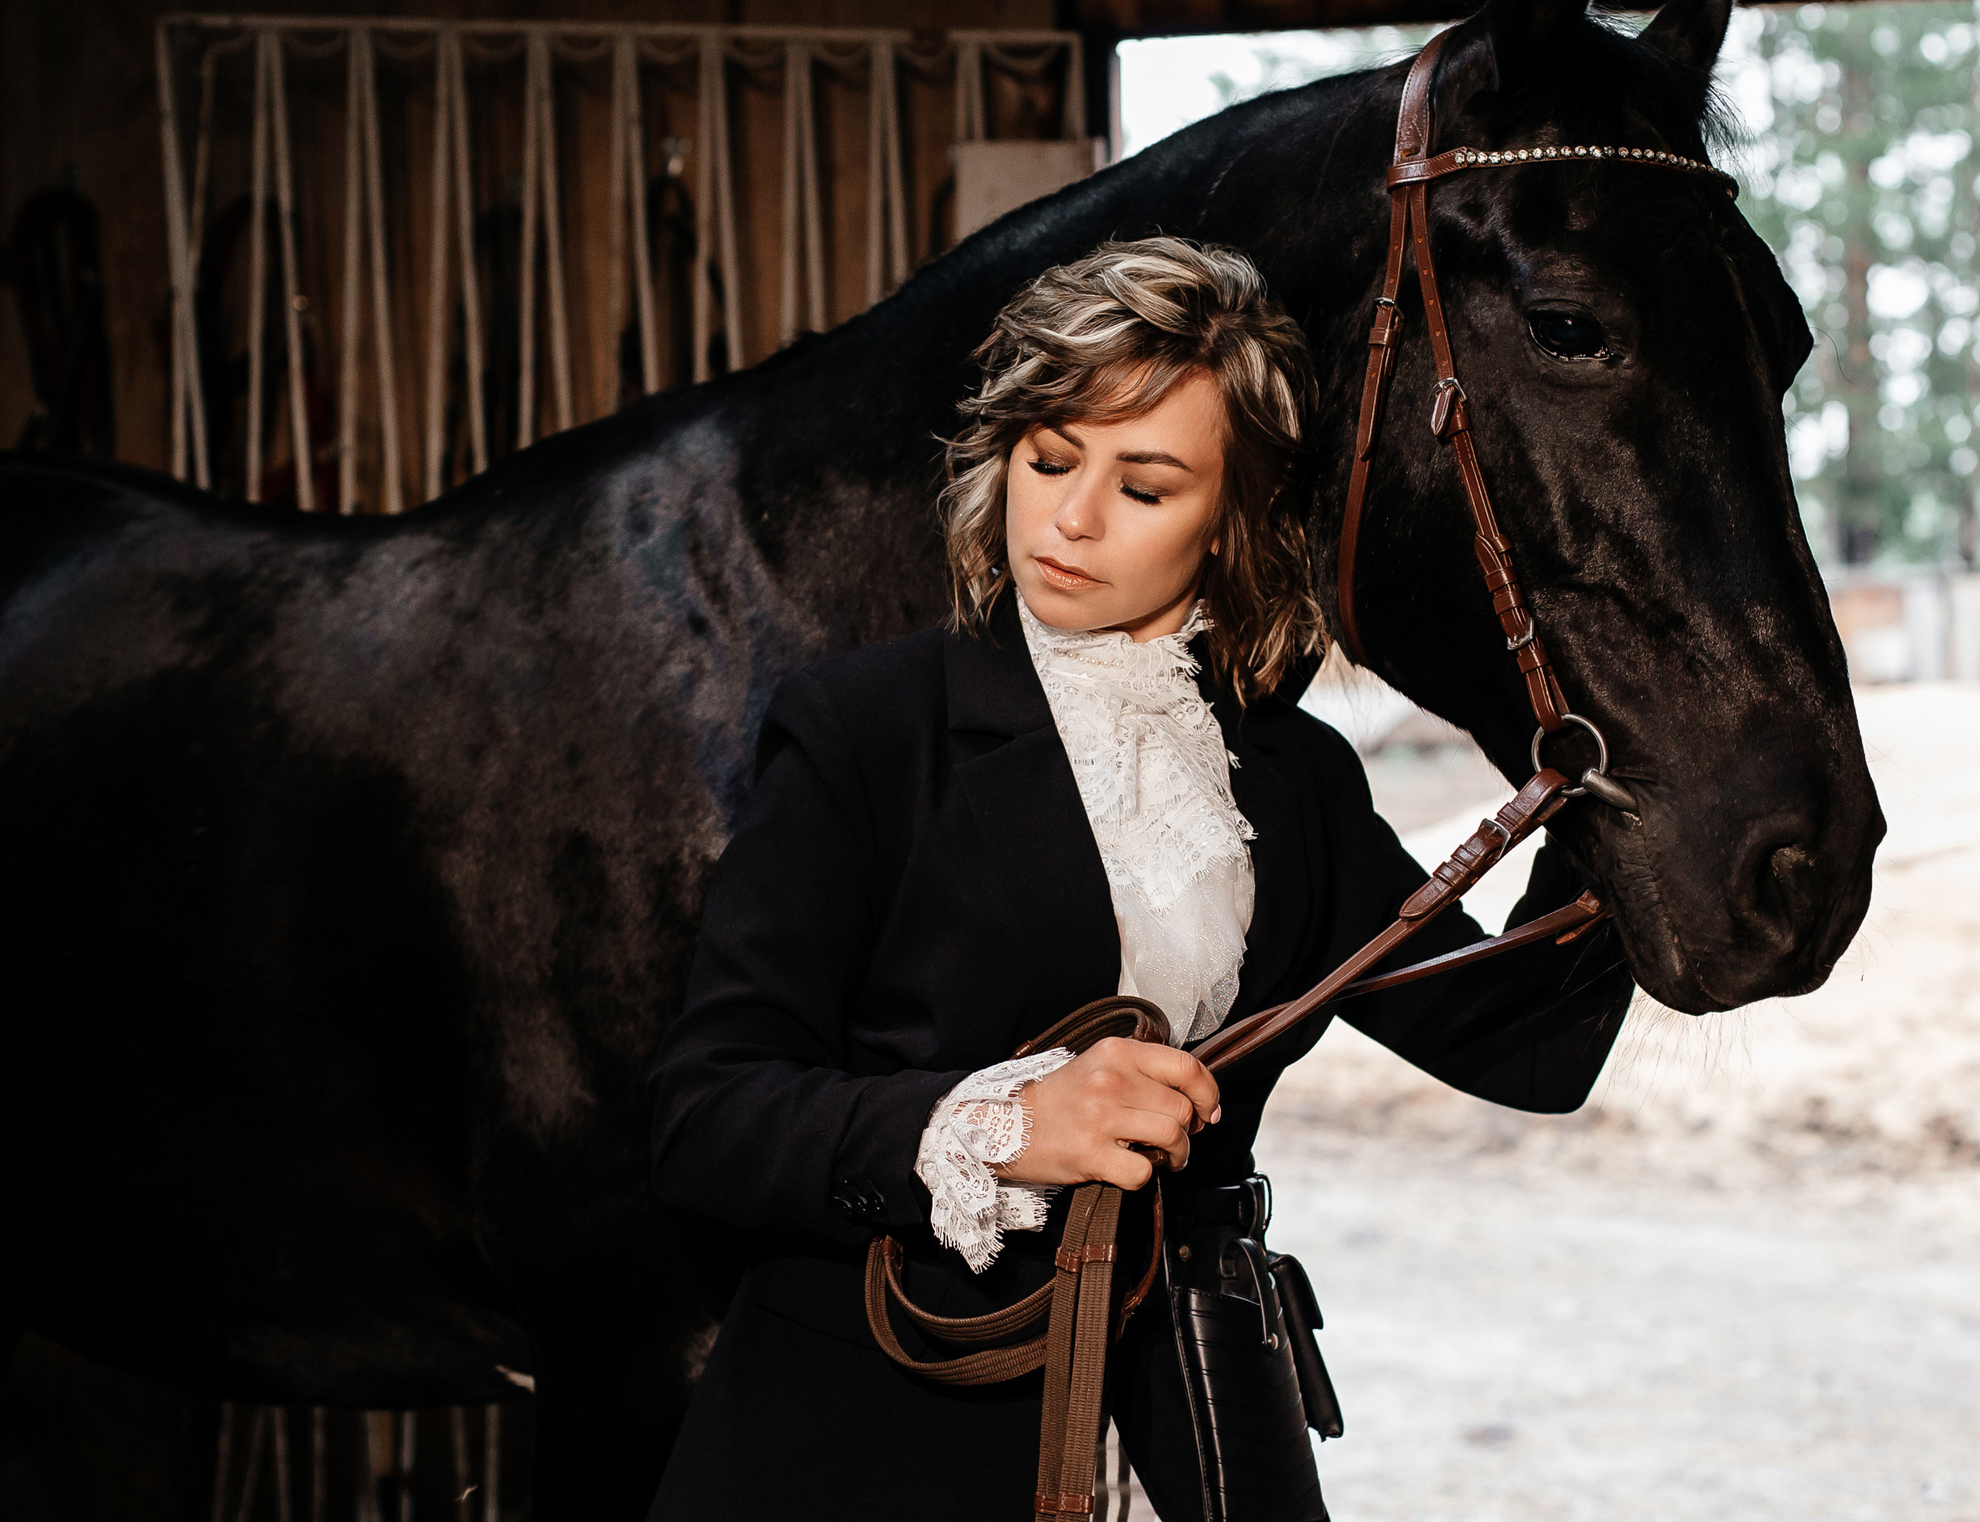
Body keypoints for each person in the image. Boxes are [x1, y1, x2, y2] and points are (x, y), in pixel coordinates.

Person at [644, 236, 1633, 1519]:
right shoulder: (863, 728)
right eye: (1048, 459)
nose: (1070, 518)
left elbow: (1523, 1051)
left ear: (1231, 519)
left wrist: (1624, 796)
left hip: (1197, 1430)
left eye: (1147, 485)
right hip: (874, 1430)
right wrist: (999, 1131)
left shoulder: (1292, 776)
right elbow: (703, 1117)